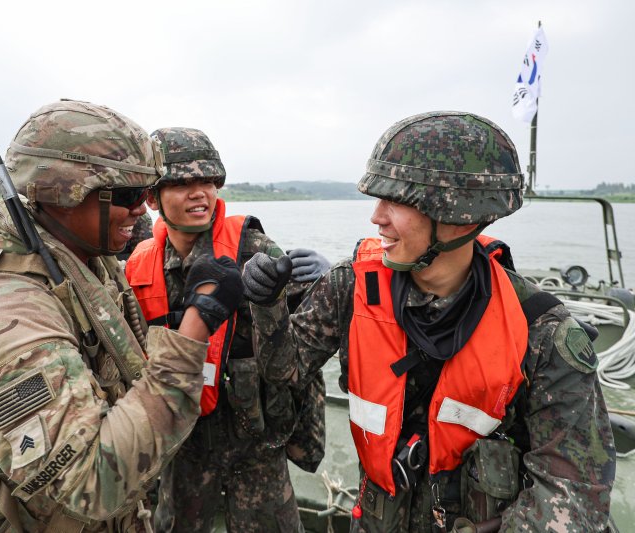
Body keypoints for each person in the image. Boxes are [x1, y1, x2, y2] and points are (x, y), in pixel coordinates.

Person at [0, 101, 245, 532]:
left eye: (147, 195)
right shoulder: (2, 313)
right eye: (128, 196)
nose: (142, 211)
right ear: (64, 193)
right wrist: (196, 324)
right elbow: (89, 485)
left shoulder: (77, 254)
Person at [242, 111, 617, 532]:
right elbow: (282, 372)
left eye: (397, 202)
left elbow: (574, 490)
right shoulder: (351, 285)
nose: (377, 217)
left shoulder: (541, 331)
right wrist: (268, 304)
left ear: (461, 217)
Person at [125, 127, 330, 533]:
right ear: (152, 197)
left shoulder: (253, 248)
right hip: (184, 440)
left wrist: (326, 283)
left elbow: (302, 344)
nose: (199, 193)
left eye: (208, 182)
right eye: (182, 184)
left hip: (254, 440)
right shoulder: (139, 263)